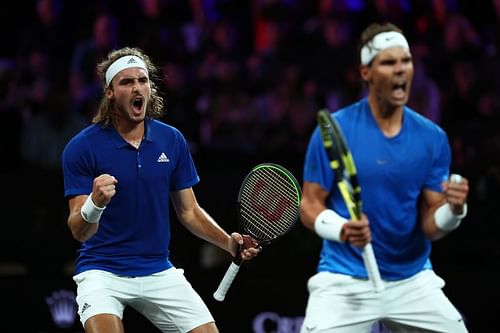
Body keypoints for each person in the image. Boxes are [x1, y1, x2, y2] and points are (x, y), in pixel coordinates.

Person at [61, 46, 262, 333]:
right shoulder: (81, 148)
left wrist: (229, 243)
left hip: (158, 269)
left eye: (142, 80)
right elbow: (80, 231)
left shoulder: (172, 140)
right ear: (109, 92)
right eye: (126, 82)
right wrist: (95, 203)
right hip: (102, 270)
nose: (137, 87)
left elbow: (189, 212)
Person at [299, 22, 470, 333]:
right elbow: (309, 205)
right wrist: (343, 229)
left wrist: (454, 211)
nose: (401, 69)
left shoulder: (433, 138)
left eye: (406, 61)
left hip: (412, 280)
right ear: (367, 73)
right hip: (344, 279)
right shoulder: (333, 131)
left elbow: (431, 225)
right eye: (389, 62)